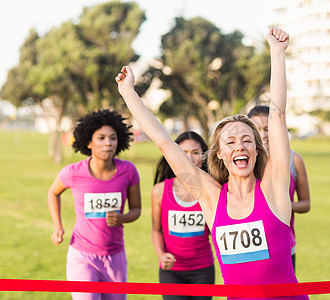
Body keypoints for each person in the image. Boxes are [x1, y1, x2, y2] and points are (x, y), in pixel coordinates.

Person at [116, 28, 309, 300]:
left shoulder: (274, 187)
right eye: (230, 142)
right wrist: (128, 94)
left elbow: (277, 115)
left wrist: (277, 53)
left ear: (256, 149)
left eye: (247, 140)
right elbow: (164, 143)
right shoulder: (210, 197)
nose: (239, 146)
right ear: (218, 153)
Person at [48, 109, 141, 300]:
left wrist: (122, 218)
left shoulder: (128, 171)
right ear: (89, 142)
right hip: (82, 256)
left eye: (113, 138)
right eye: (101, 138)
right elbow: (53, 192)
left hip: (115, 257)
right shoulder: (73, 172)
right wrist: (58, 226)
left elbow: (137, 210)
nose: (108, 143)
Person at [152, 131, 215, 300]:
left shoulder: (212, 190)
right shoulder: (159, 191)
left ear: (204, 157)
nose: (190, 158)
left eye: (196, 152)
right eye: (183, 152)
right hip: (171, 272)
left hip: (203, 271)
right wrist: (160, 254)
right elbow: (156, 230)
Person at [248, 105, 310, 270]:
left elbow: (305, 204)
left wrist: (282, 206)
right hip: (251, 249)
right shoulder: (244, 163)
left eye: (268, 128)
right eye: (257, 129)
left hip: (284, 246)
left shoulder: (294, 160)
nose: (263, 134)